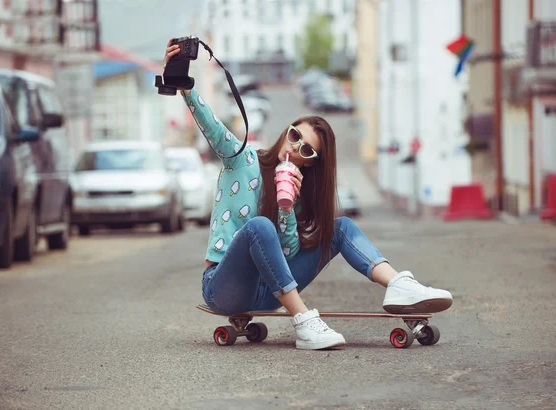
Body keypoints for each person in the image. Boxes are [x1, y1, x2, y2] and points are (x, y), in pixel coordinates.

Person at [163, 40, 453, 350]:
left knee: (340, 227)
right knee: (259, 226)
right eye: (294, 134)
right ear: (287, 129)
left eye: (305, 149)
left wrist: (287, 206)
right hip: (223, 287)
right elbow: (212, 126)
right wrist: (183, 84)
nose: (293, 146)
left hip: (269, 294)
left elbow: (286, 257)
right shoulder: (240, 158)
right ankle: (304, 322)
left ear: (310, 162)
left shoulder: (299, 191)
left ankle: (398, 285)